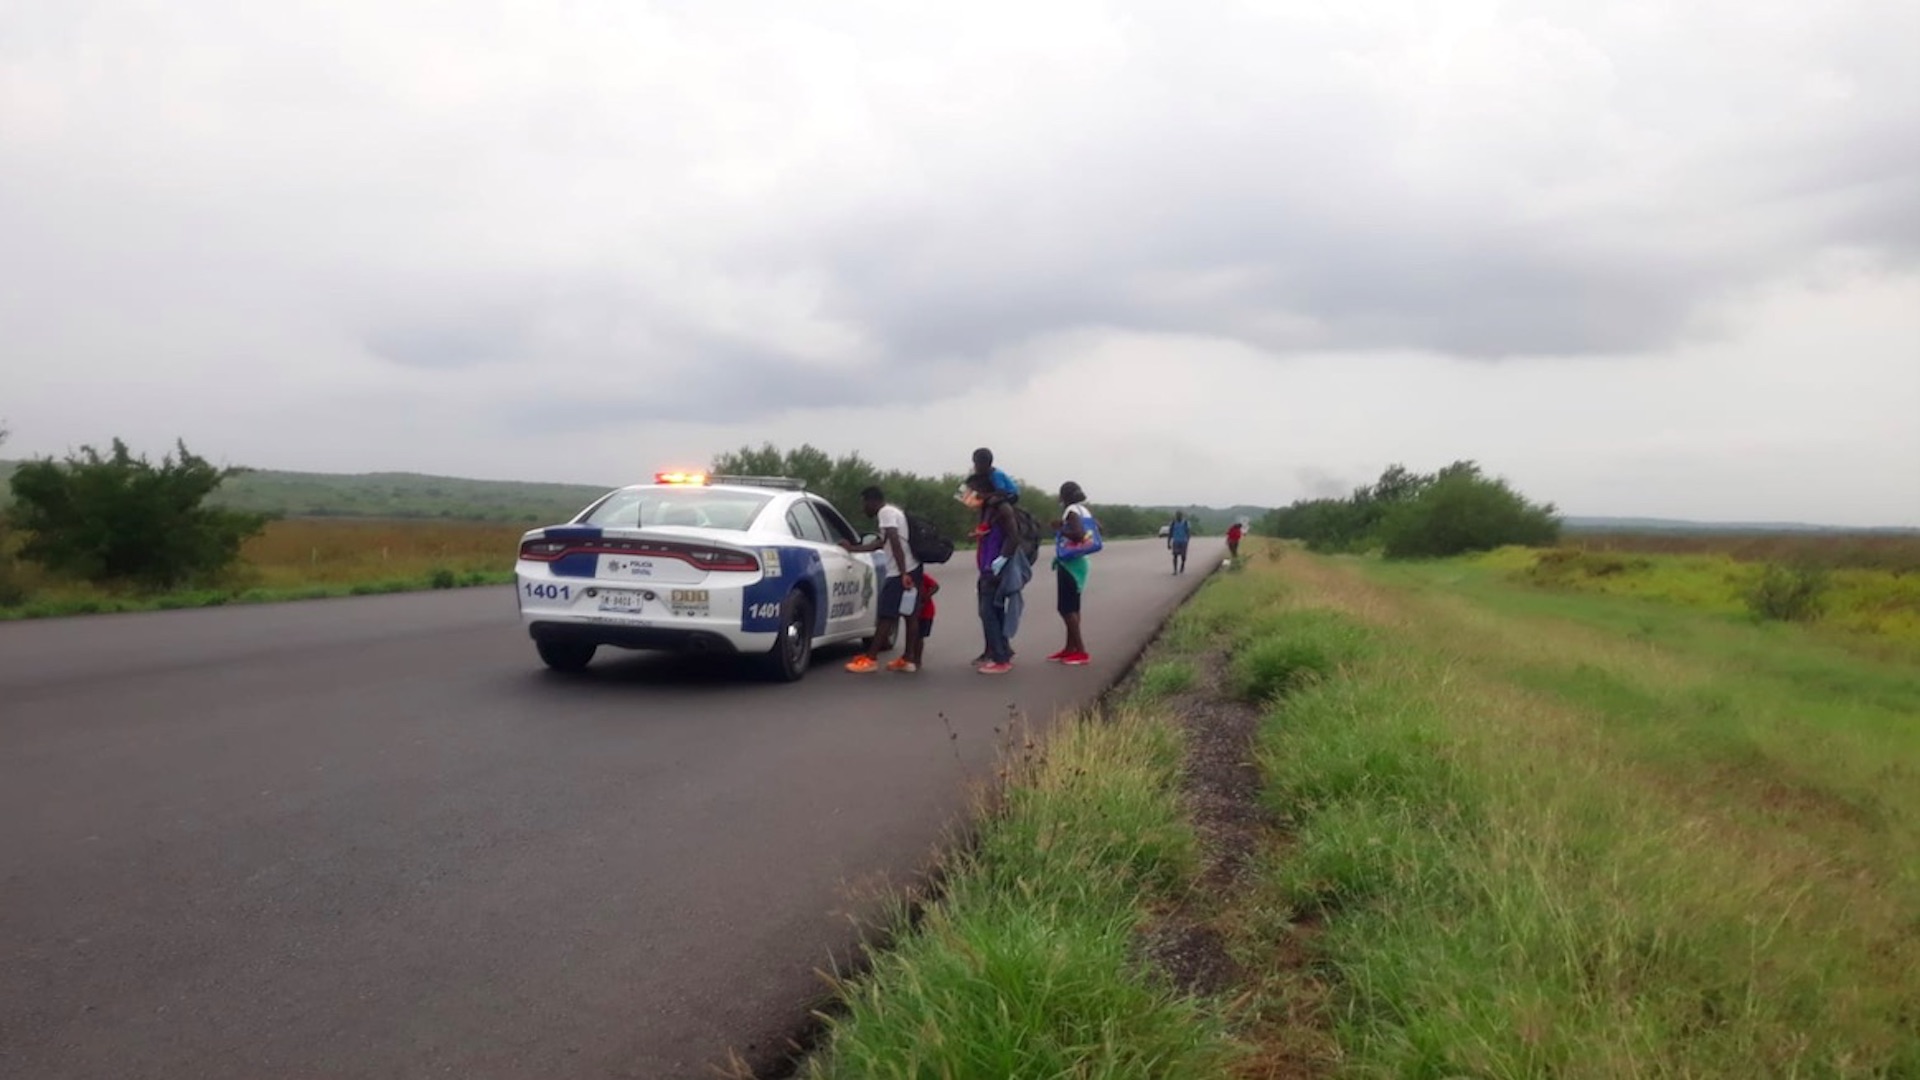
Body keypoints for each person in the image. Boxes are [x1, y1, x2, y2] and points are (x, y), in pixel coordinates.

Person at [841, 485, 923, 673]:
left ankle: (870, 659)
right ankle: (908, 660)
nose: (864, 509)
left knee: (887, 615)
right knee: (910, 615)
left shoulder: (885, 513)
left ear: (872, 501)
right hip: (913, 567)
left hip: (901, 572)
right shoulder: (894, 511)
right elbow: (881, 543)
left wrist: (903, 573)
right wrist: (853, 548)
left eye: (864, 504)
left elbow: (893, 540)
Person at [962, 473, 1028, 674]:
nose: (968, 496)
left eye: (971, 491)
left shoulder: (1002, 508)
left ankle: (1000, 659)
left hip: (994, 569)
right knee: (994, 610)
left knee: (987, 611)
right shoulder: (989, 509)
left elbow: (1013, 536)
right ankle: (1003, 652)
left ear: (981, 489)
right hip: (987, 566)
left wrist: (1001, 560)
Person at [1048, 481, 1096, 665]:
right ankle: (1070, 648)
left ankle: (1081, 652)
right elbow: (1097, 528)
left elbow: (1078, 534)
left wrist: (1060, 528)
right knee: (1073, 607)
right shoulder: (1084, 510)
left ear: (1064, 496)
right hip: (1080, 562)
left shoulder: (1071, 511)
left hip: (1070, 563)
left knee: (1066, 609)